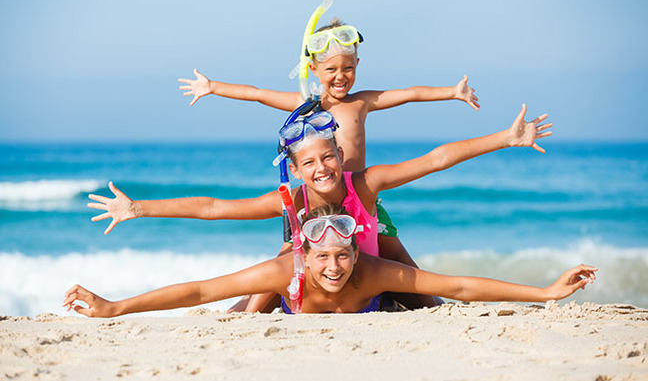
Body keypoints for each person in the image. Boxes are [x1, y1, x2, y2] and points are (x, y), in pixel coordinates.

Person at [88, 105, 551, 309]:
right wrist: (139, 208)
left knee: (417, 281)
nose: (322, 168)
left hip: (363, 266)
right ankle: (240, 319)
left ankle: (422, 306)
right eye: (308, 162)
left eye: (328, 157)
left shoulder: (362, 186)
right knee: (273, 269)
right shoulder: (290, 201)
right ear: (294, 169)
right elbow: (213, 207)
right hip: (315, 272)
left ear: (339, 155)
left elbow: (434, 160)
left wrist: (505, 138)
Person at [177, 19, 479, 285]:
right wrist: (213, 86)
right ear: (314, 69)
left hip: (359, 197)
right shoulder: (305, 104)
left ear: (357, 64)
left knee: (395, 252)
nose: (340, 76)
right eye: (331, 69)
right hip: (318, 199)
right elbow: (257, 94)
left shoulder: (361, 101)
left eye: (348, 68)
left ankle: (430, 300)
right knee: (287, 256)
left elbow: (409, 94)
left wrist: (452, 92)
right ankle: (248, 308)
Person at [66, 204, 597, 317]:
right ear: (305, 252)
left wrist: (545, 292)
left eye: (343, 255)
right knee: (237, 308)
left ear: (355, 251)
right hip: (284, 304)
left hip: (380, 308)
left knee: (429, 300)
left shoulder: (372, 272)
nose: (335, 268)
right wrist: (114, 307)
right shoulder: (287, 272)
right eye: (323, 257)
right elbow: (202, 290)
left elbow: (458, 286)